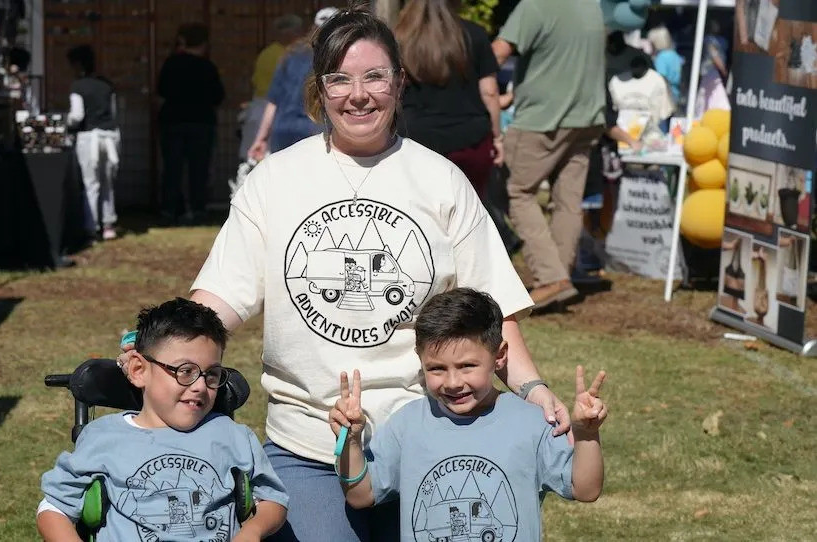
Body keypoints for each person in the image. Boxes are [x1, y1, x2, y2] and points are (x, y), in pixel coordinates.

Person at [118, 3, 569, 540]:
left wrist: (535, 389)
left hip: (428, 437)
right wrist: (157, 348)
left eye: (375, 76)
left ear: (400, 83)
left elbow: (495, 314)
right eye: (340, 79)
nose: (358, 94)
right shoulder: (276, 179)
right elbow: (219, 297)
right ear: (320, 88)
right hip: (306, 445)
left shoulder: (441, 180)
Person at [330, 288, 608, 541]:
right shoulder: (407, 425)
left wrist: (586, 434)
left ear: (499, 356)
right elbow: (361, 495)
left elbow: (585, 489)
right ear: (420, 359)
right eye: (437, 369)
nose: (452, 382)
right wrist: (351, 441)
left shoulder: (530, 422)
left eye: (467, 366)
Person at [37, 298, 289, 541]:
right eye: (185, 371)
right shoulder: (103, 437)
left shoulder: (233, 436)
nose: (200, 386)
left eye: (211, 374)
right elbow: (54, 509)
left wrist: (252, 531)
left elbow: (272, 500)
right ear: (138, 370)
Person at [491, 0, 606, 310]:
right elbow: (561, 61)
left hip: (543, 120)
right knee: (568, 201)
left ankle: (551, 278)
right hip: (587, 116)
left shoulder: (535, 6)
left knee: (516, 191)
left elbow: (495, 55)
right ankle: (561, 279)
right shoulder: (590, 6)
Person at [394, 0, 503, 199]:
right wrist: (497, 137)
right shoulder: (474, 34)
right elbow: (490, 92)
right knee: (468, 212)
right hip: (470, 140)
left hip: (416, 139)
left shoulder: (399, 39)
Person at [247, 8, 338, 160]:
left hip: (282, 128)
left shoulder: (291, 53)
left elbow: (273, 101)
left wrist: (261, 138)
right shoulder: (334, 58)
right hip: (314, 129)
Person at [157, 23, 225, 224]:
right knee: (199, 168)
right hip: (201, 122)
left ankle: (170, 209)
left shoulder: (171, 63)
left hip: (173, 121)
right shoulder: (208, 67)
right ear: (204, 44)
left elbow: (161, 90)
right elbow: (218, 96)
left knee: (172, 168)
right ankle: (198, 209)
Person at [66, 45, 120, 241]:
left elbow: (77, 115)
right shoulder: (107, 85)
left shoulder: (77, 86)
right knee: (108, 183)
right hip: (110, 136)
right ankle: (108, 224)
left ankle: (91, 226)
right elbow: (113, 113)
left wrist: (66, 121)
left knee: (91, 184)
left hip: (89, 138)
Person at [239, 14, 305, 161]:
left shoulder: (266, 53)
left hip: (262, 108)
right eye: (299, 32)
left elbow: (256, 81)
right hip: (277, 110)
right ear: (290, 33)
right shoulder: (292, 55)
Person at [647, 26, 684, 106]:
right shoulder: (675, 55)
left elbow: (661, 78)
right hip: (676, 93)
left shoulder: (661, 57)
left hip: (665, 97)